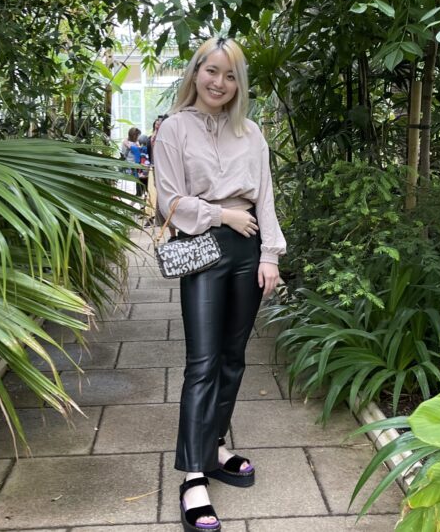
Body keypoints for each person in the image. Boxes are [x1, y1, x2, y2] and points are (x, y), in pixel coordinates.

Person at [154, 37, 285, 532]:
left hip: (248, 248)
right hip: (203, 246)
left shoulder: (250, 132)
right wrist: (221, 214)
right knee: (203, 361)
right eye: (212, 71)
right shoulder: (174, 128)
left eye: (230, 76)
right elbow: (168, 200)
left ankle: (213, 447)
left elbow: (265, 196)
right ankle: (193, 475)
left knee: (233, 358)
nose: (219, 83)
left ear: (239, 84)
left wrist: (270, 255)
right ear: (196, 72)